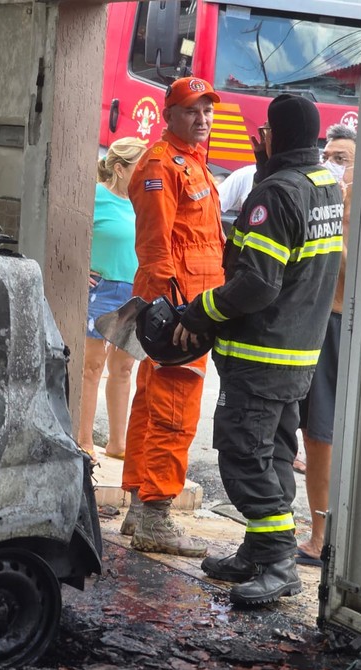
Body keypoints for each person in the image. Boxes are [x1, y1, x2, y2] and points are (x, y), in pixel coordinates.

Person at [175, 94, 343, 605]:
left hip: (262, 355)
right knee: (275, 452)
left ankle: (277, 564)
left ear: (273, 135)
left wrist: (198, 312)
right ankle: (258, 550)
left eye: (265, 131)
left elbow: (257, 286)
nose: (259, 139)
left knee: (244, 455)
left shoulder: (276, 193)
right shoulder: (324, 185)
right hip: (298, 355)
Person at [118, 77, 226, 556]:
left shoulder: (194, 163)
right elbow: (156, 247)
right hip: (181, 310)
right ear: (169, 114)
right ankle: (156, 514)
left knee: (152, 399)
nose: (201, 118)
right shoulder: (162, 165)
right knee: (173, 406)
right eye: (191, 110)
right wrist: (177, 311)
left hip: (191, 305)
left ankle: (141, 509)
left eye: (206, 110)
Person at [295, 122, 357, 566]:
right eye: (328, 156)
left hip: (341, 326)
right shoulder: (324, 200)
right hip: (317, 324)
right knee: (315, 435)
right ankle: (321, 531)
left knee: (323, 436)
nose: (330, 166)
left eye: (342, 160)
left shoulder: (360, 208)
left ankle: (322, 539)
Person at [78, 137, 147, 460]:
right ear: (119, 169)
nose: (146, 173)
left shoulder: (143, 202)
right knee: (91, 366)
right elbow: (71, 233)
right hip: (101, 288)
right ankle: (83, 440)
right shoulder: (94, 197)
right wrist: (79, 268)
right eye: (139, 167)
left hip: (134, 290)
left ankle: (118, 443)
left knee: (123, 368)